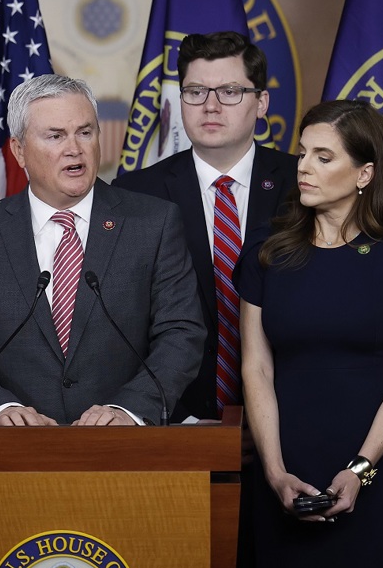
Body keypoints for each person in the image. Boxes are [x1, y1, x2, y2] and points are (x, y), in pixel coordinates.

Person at [235, 100, 383, 568]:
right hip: (285, 458)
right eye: (303, 153)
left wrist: (360, 470)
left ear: (365, 173)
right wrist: (275, 471)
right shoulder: (267, 248)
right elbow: (255, 369)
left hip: (378, 463)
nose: (303, 167)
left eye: (323, 158)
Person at [0, 73, 205, 426]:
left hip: (127, 453)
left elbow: (181, 333)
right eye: (55, 136)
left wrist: (130, 410)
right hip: (16, 456)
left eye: (85, 132)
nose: (74, 148)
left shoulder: (153, 223)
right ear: (19, 151)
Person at [112, 31, 297, 422]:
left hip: (295, 418)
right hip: (177, 422)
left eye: (230, 91)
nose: (210, 106)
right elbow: (120, 325)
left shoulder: (305, 185)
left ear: (261, 102)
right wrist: (179, 419)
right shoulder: (135, 193)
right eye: (195, 91)